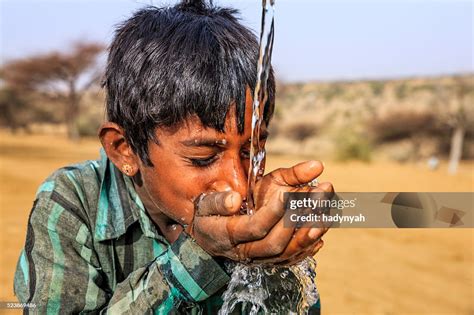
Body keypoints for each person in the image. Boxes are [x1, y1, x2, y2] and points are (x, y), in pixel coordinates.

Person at [14, 0, 333, 313]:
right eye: (203, 157)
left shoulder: (258, 206)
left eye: (251, 151)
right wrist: (202, 254)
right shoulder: (72, 203)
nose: (238, 185)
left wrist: (281, 261)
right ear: (124, 149)